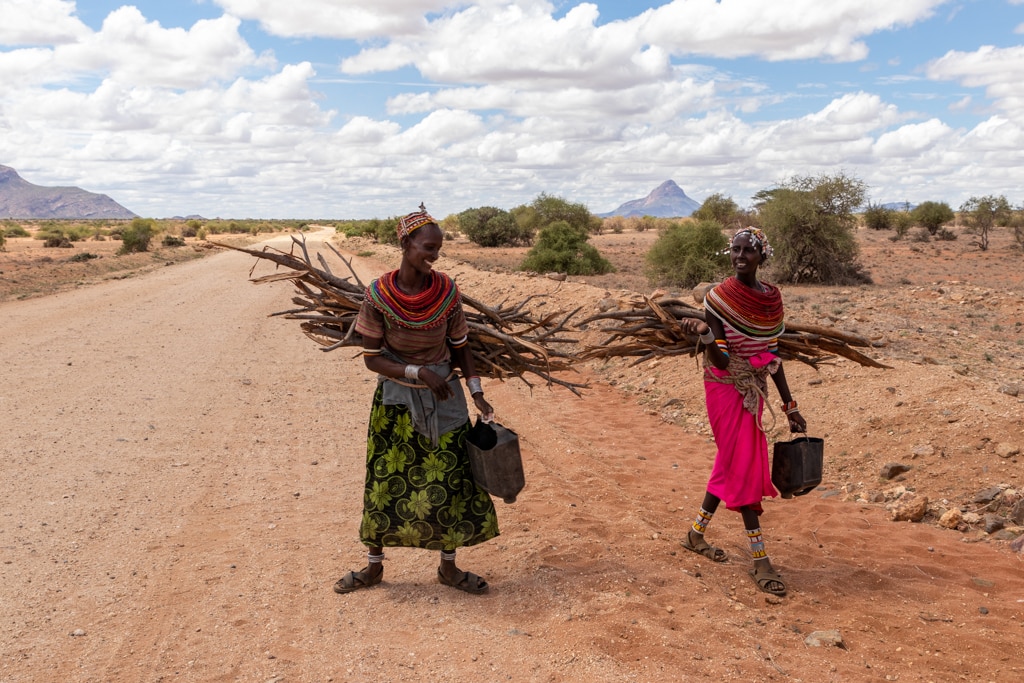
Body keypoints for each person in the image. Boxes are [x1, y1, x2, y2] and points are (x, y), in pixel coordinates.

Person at [334, 205, 498, 595]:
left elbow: (461, 347)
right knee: (386, 481)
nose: (434, 255)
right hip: (396, 403)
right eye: (427, 247)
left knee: (451, 480)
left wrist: (476, 392)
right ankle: (373, 568)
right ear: (405, 244)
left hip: (447, 401)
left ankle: (449, 568)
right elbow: (373, 359)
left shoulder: (446, 292)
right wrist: (416, 372)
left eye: (438, 249)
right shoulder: (379, 296)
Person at [679, 227, 807, 597]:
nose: (739, 256)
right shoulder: (718, 299)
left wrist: (790, 406)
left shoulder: (771, 300)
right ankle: (760, 559)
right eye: (734, 249)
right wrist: (705, 334)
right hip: (722, 387)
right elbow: (719, 358)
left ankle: (695, 535)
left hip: (755, 386)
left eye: (748, 250)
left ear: (762, 256)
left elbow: (772, 356)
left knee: (733, 462)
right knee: (745, 467)